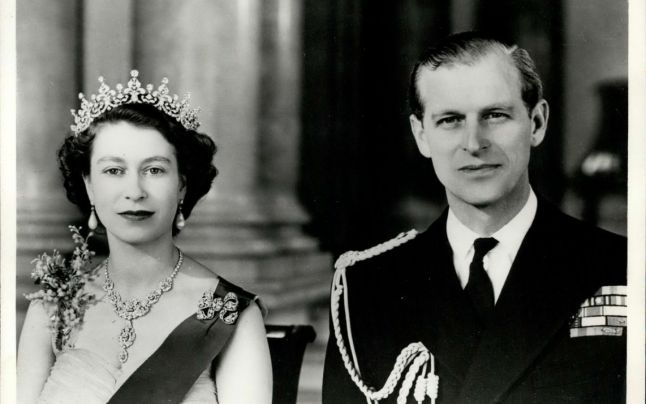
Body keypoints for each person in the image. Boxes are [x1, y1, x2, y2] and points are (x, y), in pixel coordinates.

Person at [322, 32, 626, 403]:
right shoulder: (366, 288)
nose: (473, 142)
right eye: (450, 120)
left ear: (537, 123)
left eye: (495, 115)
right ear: (421, 135)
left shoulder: (621, 269)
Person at [17, 70, 272, 404]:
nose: (134, 191)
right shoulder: (52, 309)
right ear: (89, 185)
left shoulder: (230, 314)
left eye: (154, 170)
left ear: (181, 184)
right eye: (113, 171)